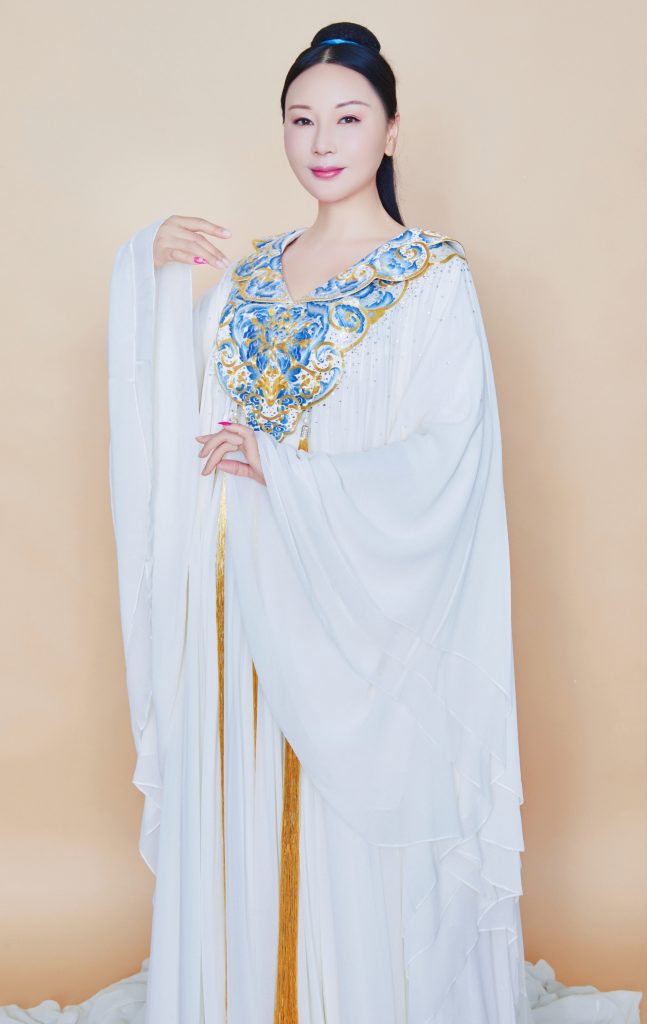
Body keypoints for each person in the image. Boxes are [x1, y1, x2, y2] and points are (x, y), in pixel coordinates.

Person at [107, 20, 533, 1024]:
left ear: (391, 131)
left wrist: (290, 472)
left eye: (347, 117)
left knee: (345, 808)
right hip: (231, 604)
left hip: (348, 606)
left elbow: (448, 453)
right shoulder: (248, 278)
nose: (322, 140)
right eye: (300, 120)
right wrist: (148, 276)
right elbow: (176, 418)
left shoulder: (428, 279)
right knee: (242, 796)